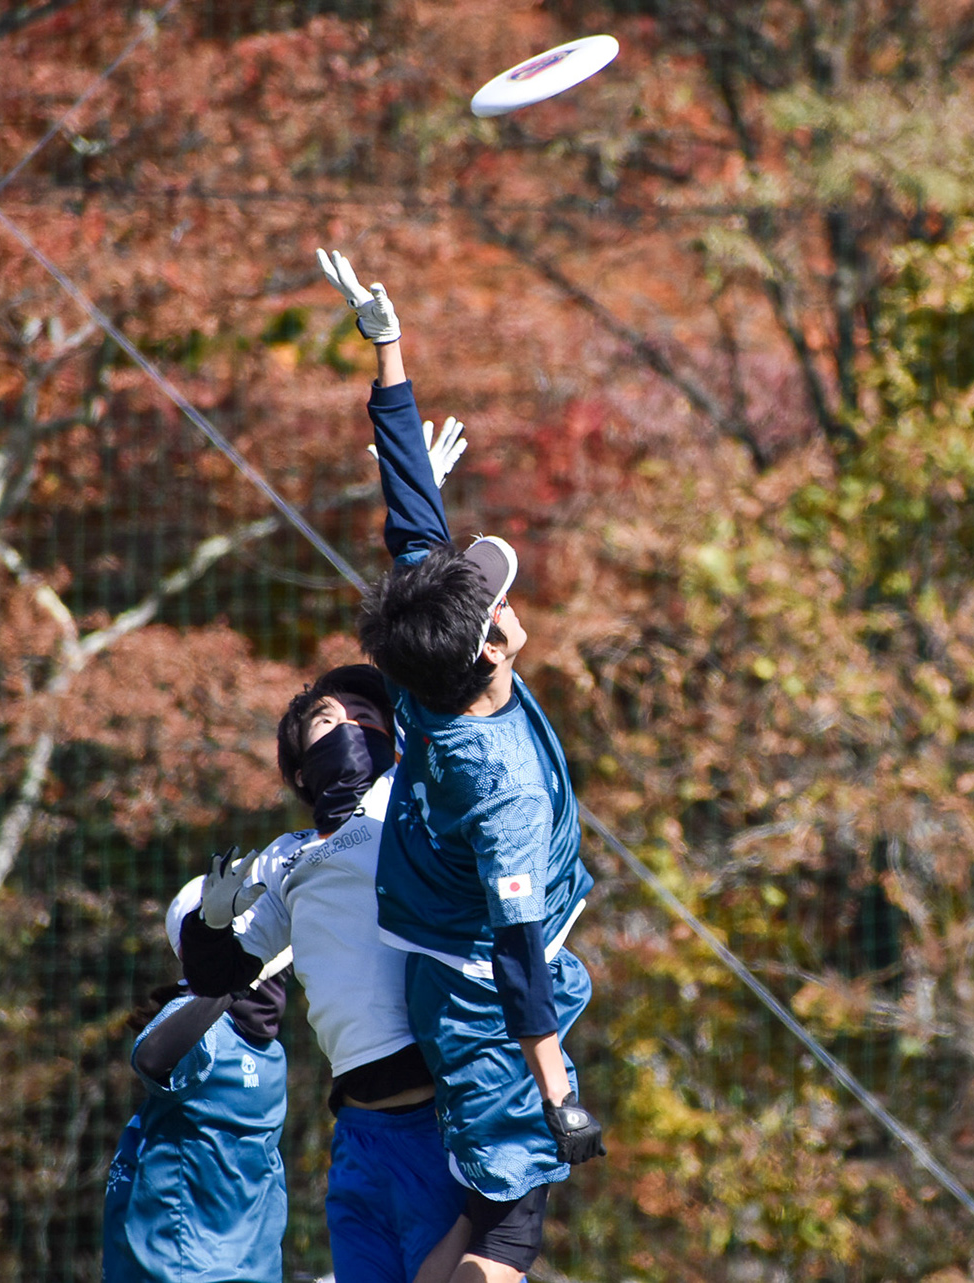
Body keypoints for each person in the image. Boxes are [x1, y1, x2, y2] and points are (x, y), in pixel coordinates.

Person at [317, 247, 606, 1283]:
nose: (504, 594)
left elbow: (412, 515)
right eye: (497, 599)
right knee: (507, 1230)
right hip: (484, 1003)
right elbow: (520, 953)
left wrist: (389, 350)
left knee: (496, 1216)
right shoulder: (502, 787)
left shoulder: (420, 662)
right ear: (493, 648)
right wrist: (557, 1089)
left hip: (457, 960)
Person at [179, 661, 470, 1283]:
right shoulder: (284, 859)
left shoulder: (409, 803)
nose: (349, 728)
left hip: (436, 1117)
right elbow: (219, 974)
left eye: (366, 718)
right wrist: (209, 923)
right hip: (358, 1131)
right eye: (326, 721)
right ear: (298, 769)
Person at [103, 878, 289, 1283]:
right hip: (184, 1267)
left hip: (250, 1268)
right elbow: (152, 1058)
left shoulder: (267, 1047)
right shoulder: (204, 1027)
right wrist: (233, 980)